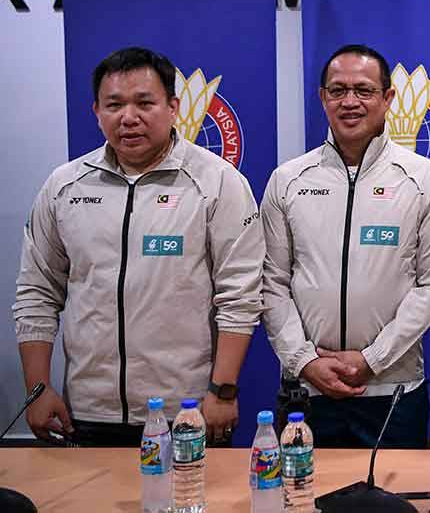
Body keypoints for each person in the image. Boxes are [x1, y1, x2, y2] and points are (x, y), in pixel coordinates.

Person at [13, 46, 263, 447]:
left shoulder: (218, 182)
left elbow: (241, 296)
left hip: (187, 409)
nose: (129, 117)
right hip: (88, 410)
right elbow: (37, 294)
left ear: (173, 107)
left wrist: (223, 391)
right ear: (96, 110)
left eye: (145, 102)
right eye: (114, 104)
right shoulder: (64, 186)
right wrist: (38, 389)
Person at [261, 44, 430, 448]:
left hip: (393, 391)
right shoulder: (288, 180)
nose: (350, 101)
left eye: (364, 91)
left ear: (388, 99)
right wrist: (305, 361)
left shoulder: (425, 180)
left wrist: (373, 359)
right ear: (322, 98)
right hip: (307, 391)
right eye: (338, 90)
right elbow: (271, 284)